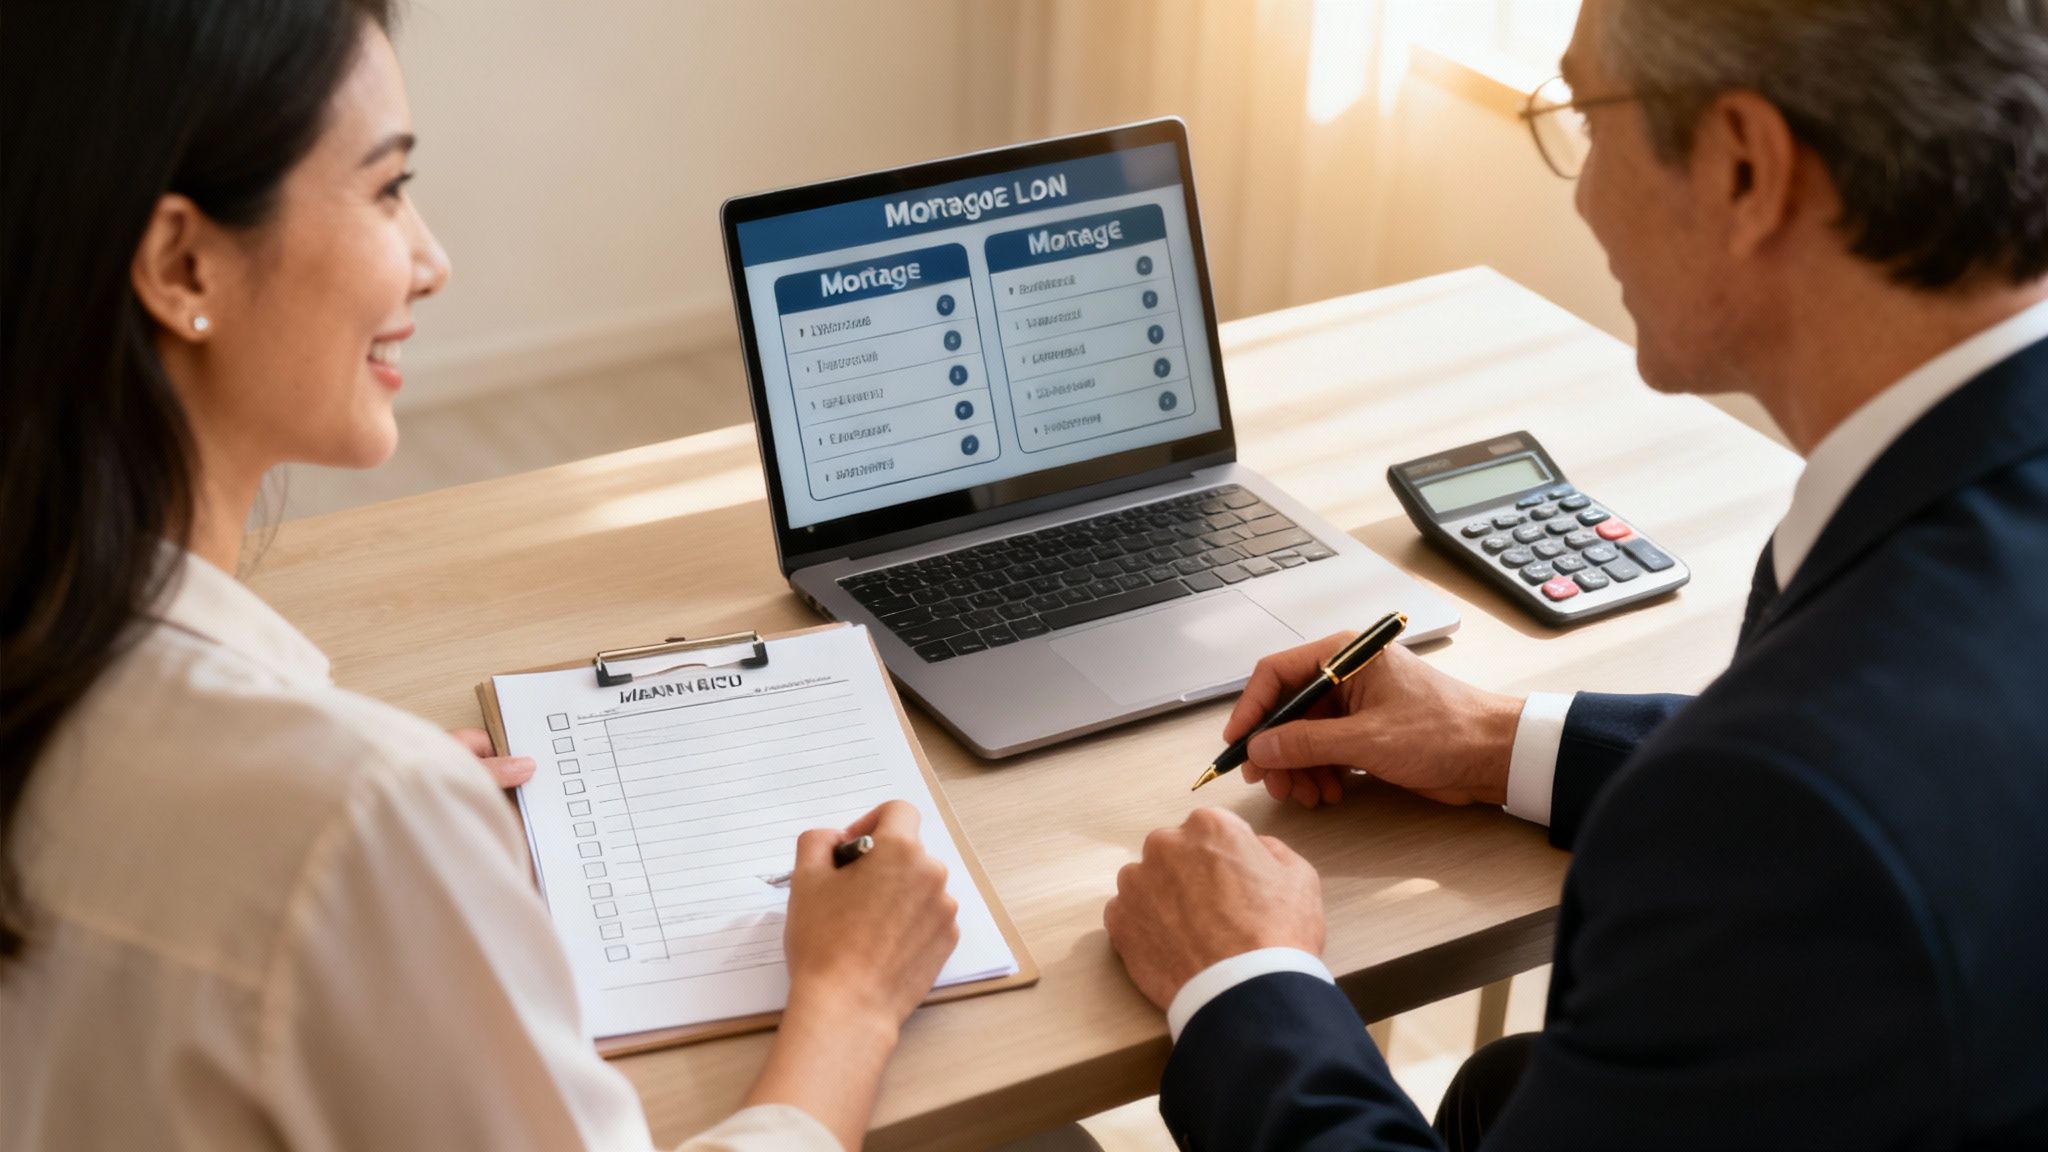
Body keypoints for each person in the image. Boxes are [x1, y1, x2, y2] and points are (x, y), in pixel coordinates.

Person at [0, 3, 959, 1149]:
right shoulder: (348, 815)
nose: (431, 260)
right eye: (386, 188)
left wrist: (367, 828)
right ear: (181, 261)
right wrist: (848, 999)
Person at [1103, 0, 2048, 1148]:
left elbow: (1812, 811)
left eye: (1585, 118)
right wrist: (1501, 740)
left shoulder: (1799, 808)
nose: (1583, 190)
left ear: (1745, 167)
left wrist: (1239, 981)